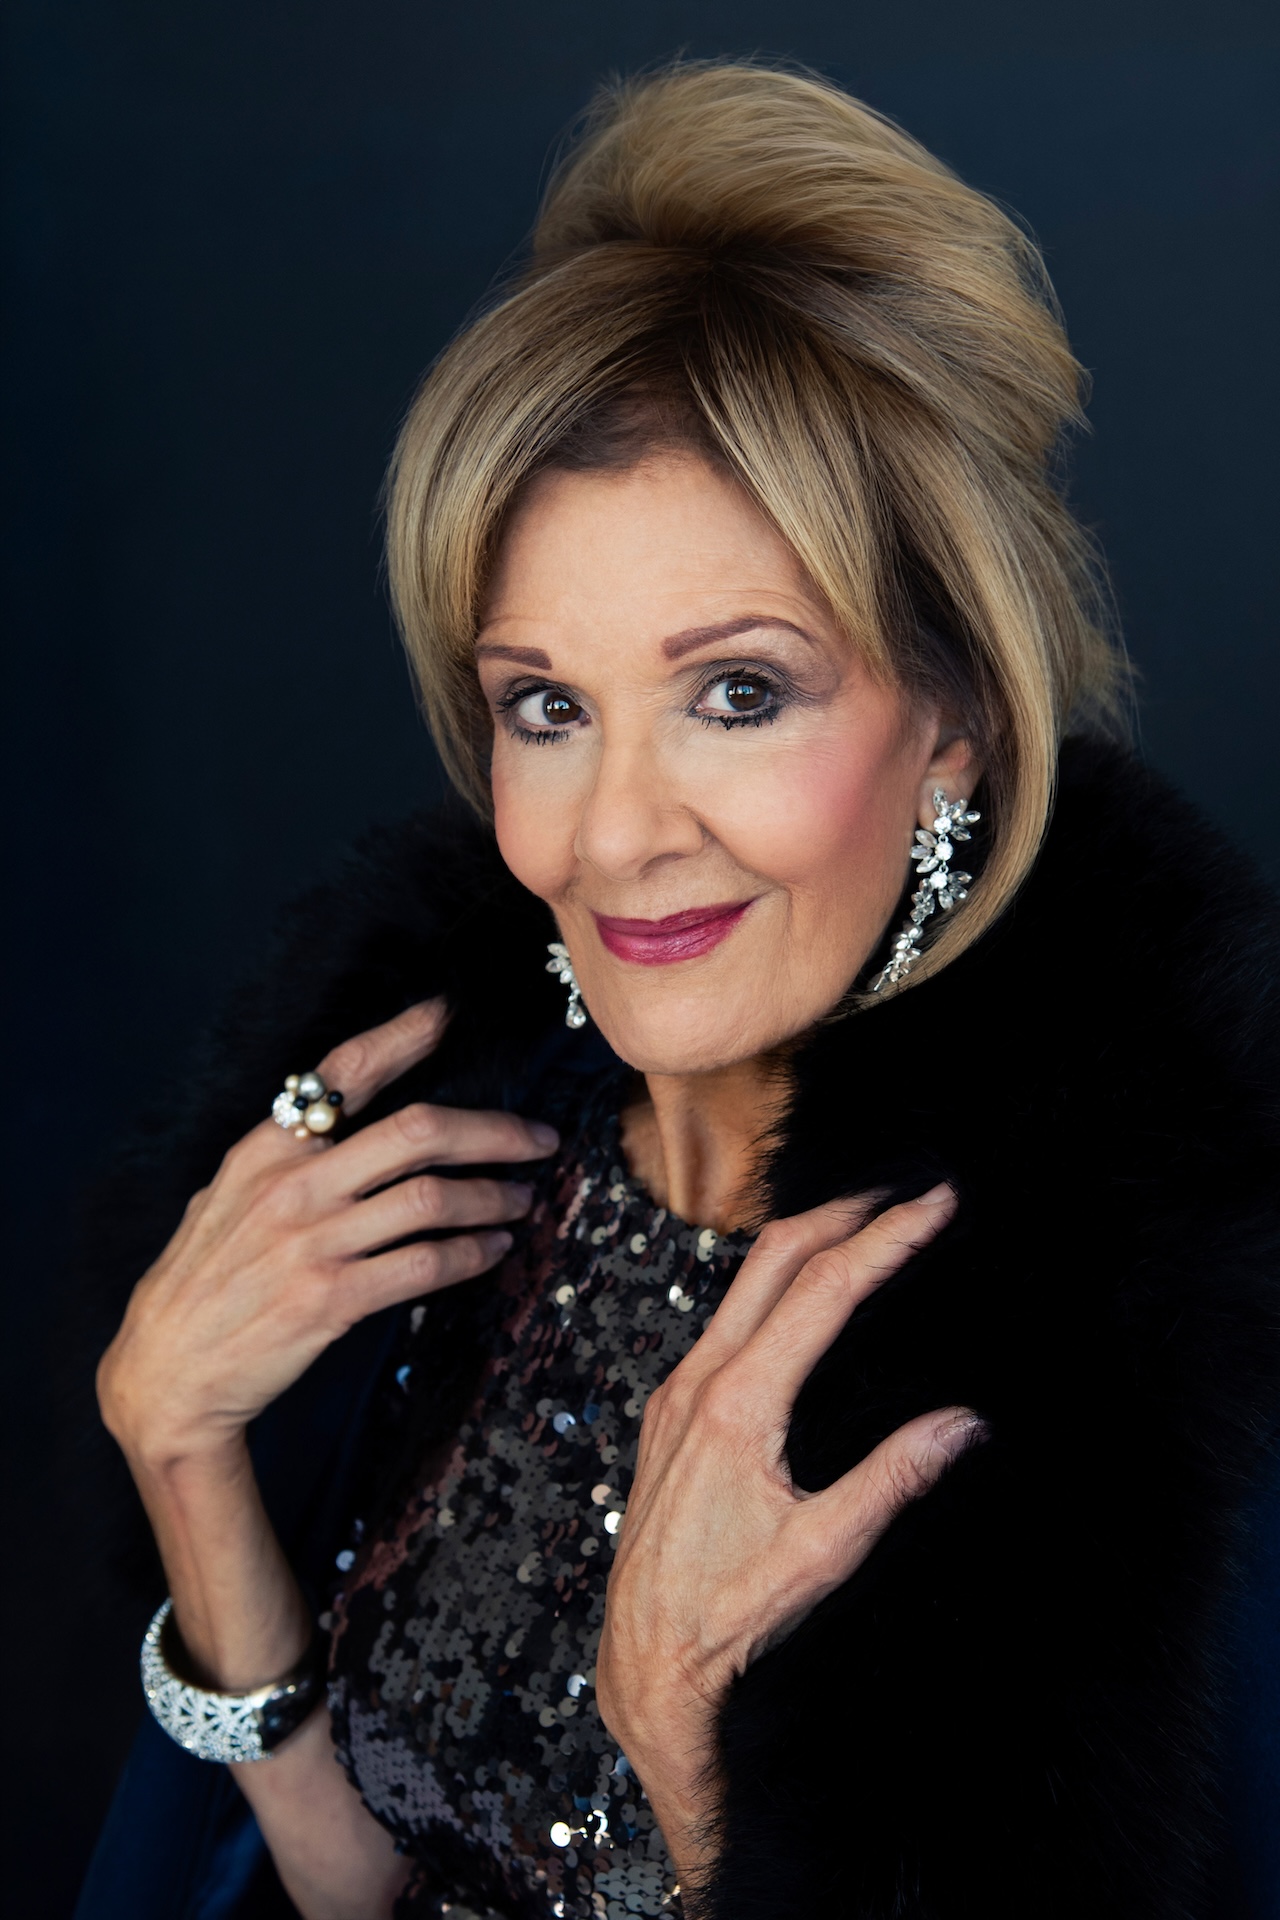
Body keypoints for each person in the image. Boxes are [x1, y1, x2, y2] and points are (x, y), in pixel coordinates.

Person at [78, 61, 1280, 1920]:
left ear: (955, 718)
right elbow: (357, 1889)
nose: (616, 831)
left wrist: (692, 1755)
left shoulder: (1137, 1334)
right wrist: (186, 1458)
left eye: (738, 692)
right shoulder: (459, 1157)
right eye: (547, 707)